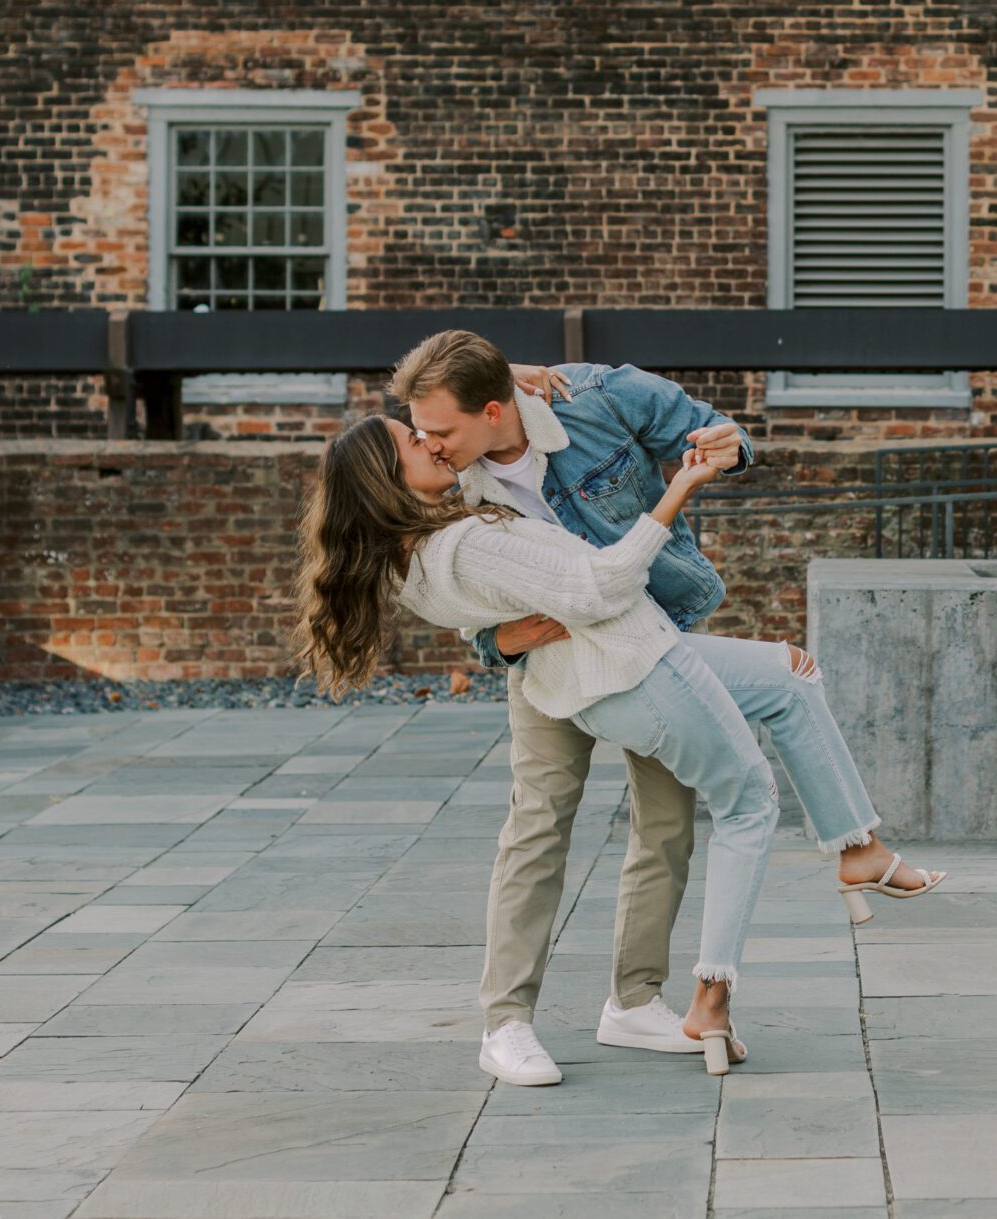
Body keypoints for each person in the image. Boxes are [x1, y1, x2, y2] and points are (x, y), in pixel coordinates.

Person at [295, 403, 944, 1077]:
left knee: (692, 794)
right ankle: (508, 1022)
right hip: (578, 665)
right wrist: (496, 638)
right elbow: (546, 585)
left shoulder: (528, 428)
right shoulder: (456, 497)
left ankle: (641, 997)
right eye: (414, 435)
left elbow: (474, 556)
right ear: (383, 475)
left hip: (637, 640)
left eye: (428, 426)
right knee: (543, 829)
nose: (429, 437)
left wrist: (528, 379)